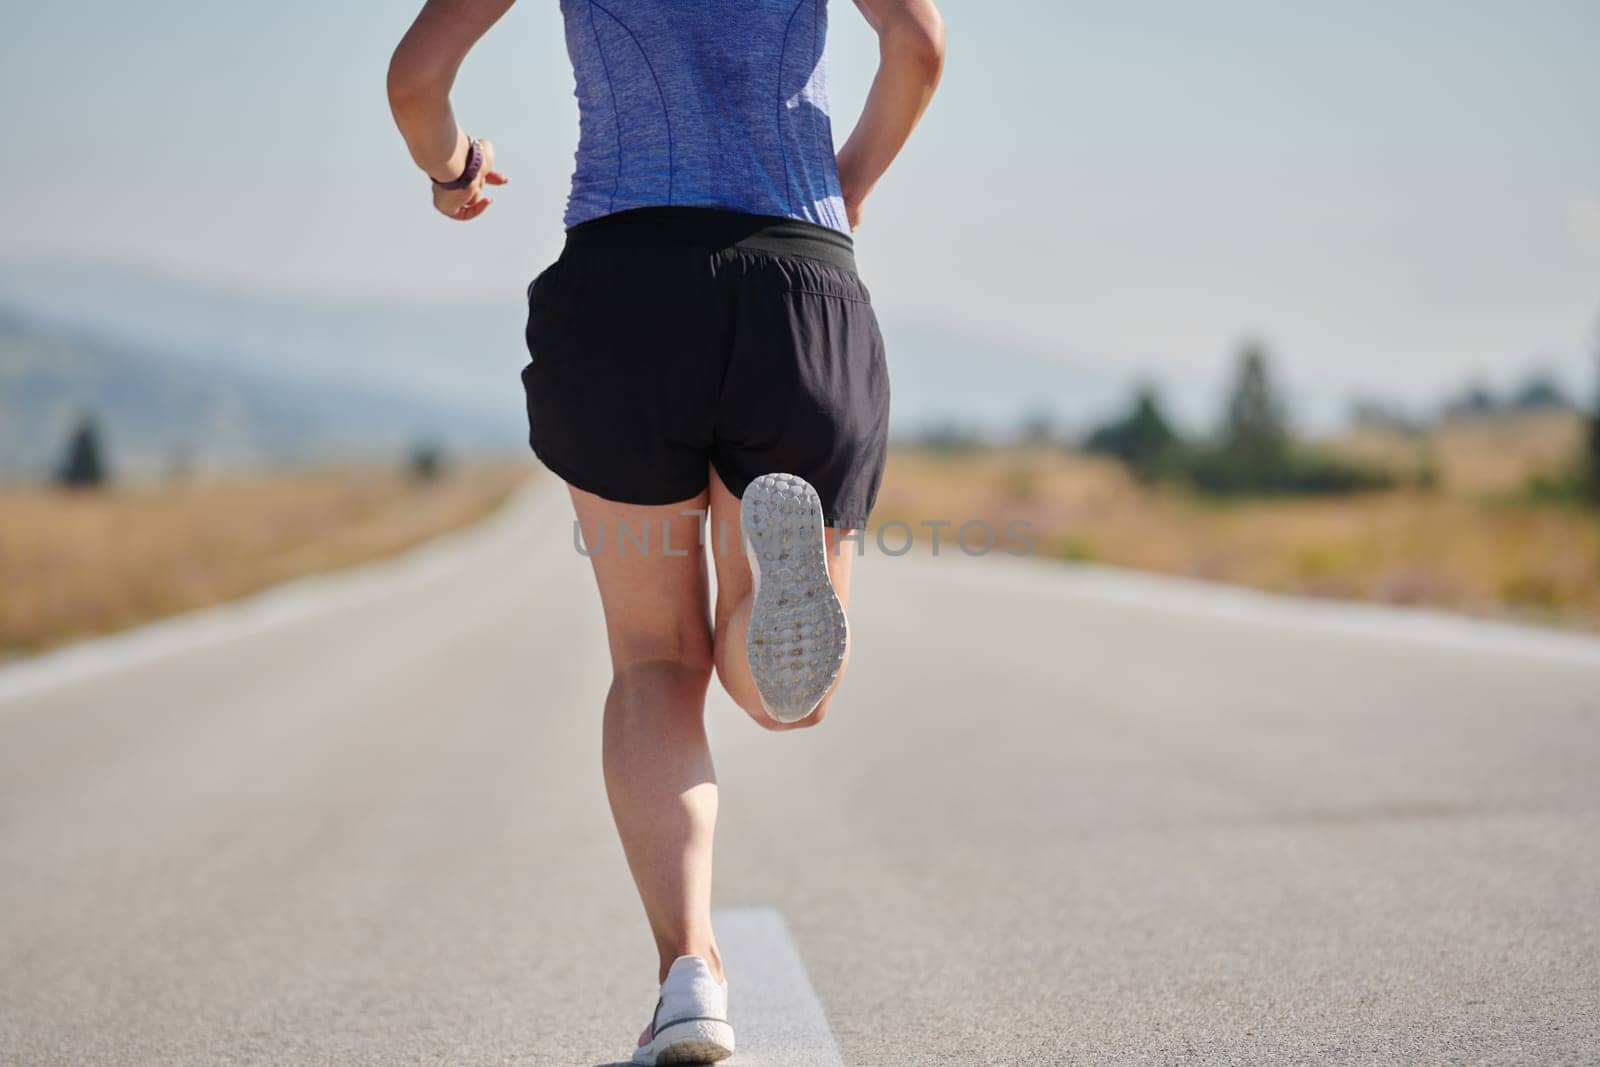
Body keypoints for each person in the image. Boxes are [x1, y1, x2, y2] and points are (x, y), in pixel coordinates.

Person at [388, 1, 943, 1061]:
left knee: (652, 660)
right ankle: (771, 605)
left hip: (624, 290)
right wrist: (850, 183)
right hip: (800, 278)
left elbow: (414, 82)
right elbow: (917, 45)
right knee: (786, 690)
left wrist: (453, 167)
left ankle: (689, 971)